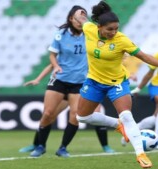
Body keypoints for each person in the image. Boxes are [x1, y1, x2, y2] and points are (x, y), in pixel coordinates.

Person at [73, 1, 158, 168]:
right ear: (99, 27)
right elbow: (81, 19)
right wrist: (78, 14)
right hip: (94, 81)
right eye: (110, 29)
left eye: (116, 28)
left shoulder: (122, 40)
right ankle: (116, 124)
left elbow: (143, 56)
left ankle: (140, 154)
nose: (114, 32)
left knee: (127, 115)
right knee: (82, 117)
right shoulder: (89, 29)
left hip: (117, 83)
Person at [27, 5, 116, 158]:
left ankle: (63, 148)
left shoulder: (91, 34)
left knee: (75, 116)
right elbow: (52, 56)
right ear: (71, 19)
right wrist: (55, 66)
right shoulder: (61, 34)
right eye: (78, 18)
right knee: (48, 114)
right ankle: (40, 146)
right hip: (60, 79)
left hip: (80, 82)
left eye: (84, 17)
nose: (82, 21)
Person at [18, 64, 115, 154]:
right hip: (64, 88)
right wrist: (38, 79)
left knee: (96, 113)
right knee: (49, 115)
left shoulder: (89, 53)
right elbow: (52, 65)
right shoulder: (66, 53)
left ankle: (105, 146)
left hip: (82, 87)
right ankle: (36, 144)